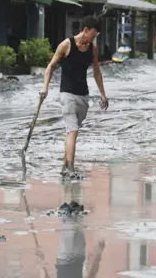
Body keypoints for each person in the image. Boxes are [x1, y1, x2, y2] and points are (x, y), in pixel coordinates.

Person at [40, 16, 109, 177]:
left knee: (72, 130)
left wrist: (103, 95)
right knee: (73, 131)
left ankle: (64, 166)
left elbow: (97, 73)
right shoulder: (66, 45)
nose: (94, 37)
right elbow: (51, 66)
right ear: (85, 30)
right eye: (94, 33)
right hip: (67, 94)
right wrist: (45, 88)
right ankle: (71, 169)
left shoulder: (92, 49)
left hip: (83, 96)